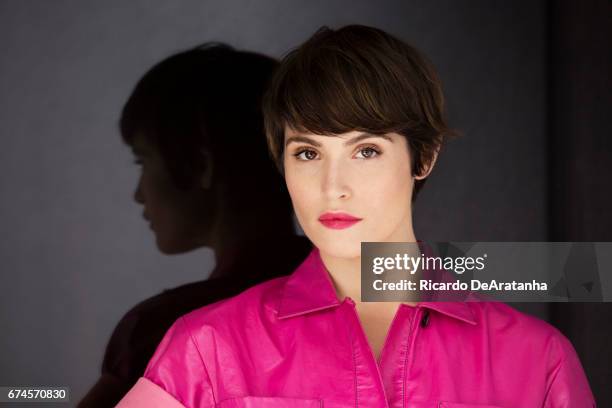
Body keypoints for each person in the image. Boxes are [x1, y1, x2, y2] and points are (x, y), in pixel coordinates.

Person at [117, 26, 595, 407]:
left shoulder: (537, 361)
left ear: (423, 157)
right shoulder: (204, 348)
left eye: (366, 150)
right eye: (306, 153)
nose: (332, 185)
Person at [78, 44, 311, 407]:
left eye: (143, 161)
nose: (139, 195)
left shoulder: (162, 331)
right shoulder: (388, 295)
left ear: (202, 164)